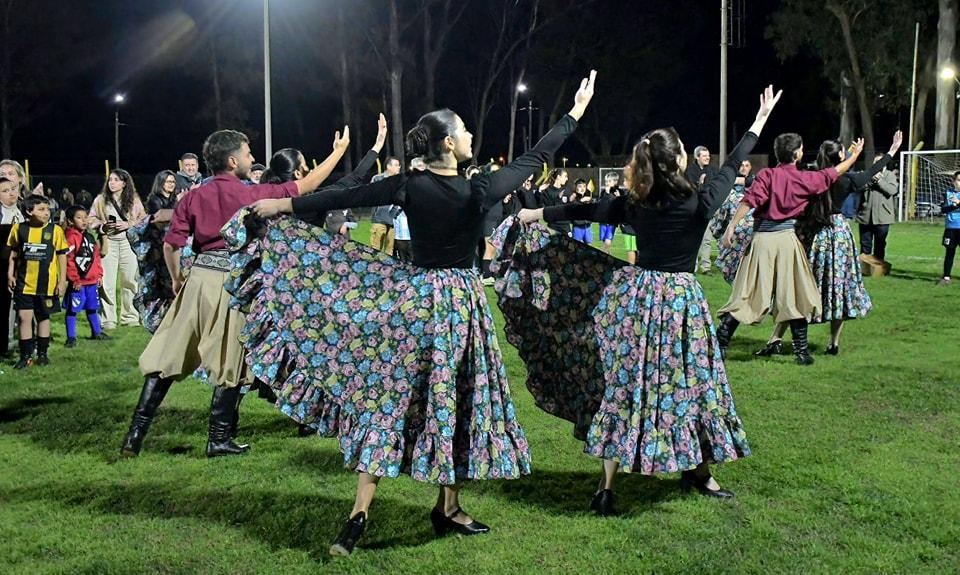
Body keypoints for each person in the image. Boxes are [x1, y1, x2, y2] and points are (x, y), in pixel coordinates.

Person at [242, 70, 598, 556]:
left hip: (418, 302)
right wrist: (575, 112)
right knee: (446, 398)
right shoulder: (480, 190)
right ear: (450, 144)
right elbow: (536, 156)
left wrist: (284, 207)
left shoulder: (413, 184)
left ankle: (415, 509)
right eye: (466, 132)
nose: (473, 137)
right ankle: (397, 510)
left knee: (401, 400)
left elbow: (348, 196)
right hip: (460, 307)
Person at [512, 84, 781, 516]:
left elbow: (586, 211)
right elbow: (732, 167)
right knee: (694, 386)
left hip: (640, 300)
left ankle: (608, 486)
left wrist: (535, 214)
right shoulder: (700, 201)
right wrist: (758, 121)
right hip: (681, 306)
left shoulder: (635, 202)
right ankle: (699, 473)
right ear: (679, 160)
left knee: (627, 387)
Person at [119, 126, 351, 460]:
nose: (252, 158)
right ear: (232, 161)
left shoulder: (195, 194)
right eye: (247, 152)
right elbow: (306, 186)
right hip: (231, 281)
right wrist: (339, 151)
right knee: (230, 360)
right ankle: (218, 439)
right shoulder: (249, 194)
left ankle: (134, 436)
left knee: (167, 355)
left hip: (197, 278)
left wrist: (176, 279)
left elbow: (172, 245)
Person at [715, 132, 865, 365]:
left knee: (748, 293)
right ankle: (801, 352)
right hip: (786, 239)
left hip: (763, 240)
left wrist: (731, 227)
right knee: (795, 294)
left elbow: (749, 201)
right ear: (797, 154)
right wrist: (854, 156)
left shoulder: (767, 175)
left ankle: (721, 344)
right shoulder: (803, 178)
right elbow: (834, 173)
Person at [754, 133, 901, 357]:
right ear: (841, 155)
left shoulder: (812, 176)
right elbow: (871, 172)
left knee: (799, 288)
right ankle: (833, 342)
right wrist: (891, 151)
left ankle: (775, 338)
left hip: (815, 236)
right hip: (839, 237)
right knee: (840, 288)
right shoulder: (847, 180)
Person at [7, 194, 68, 369]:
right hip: (24, 283)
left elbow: (62, 255)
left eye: (47, 209)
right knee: (24, 317)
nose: (46, 213)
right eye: (41, 210)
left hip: (46, 284)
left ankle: (42, 354)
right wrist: (10, 275)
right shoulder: (19, 229)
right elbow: (14, 254)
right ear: (28, 211)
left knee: (43, 316)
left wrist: (61, 280)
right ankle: (25, 356)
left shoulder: (55, 231)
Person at [90, 169, 146, 329]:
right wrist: (102, 227)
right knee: (106, 281)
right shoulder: (100, 200)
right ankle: (108, 319)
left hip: (128, 243)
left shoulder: (133, 200)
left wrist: (128, 224)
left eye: (116, 180)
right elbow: (91, 218)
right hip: (109, 243)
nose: (112, 183)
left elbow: (143, 219)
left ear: (124, 183)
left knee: (130, 280)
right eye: (110, 180)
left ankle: (130, 316)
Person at [127, 170, 179, 332]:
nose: (171, 184)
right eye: (168, 181)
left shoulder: (174, 199)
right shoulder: (154, 201)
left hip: (171, 243)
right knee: (157, 284)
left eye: (173, 181)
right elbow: (159, 219)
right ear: (160, 183)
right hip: (157, 245)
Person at [63, 205, 109, 347]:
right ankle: (71, 337)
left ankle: (97, 332)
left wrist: (99, 275)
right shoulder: (70, 237)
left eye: (85, 217)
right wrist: (74, 279)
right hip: (79, 283)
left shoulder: (89, 237)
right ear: (70, 221)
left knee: (92, 307)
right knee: (73, 309)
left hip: (92, 282)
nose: (84, 220)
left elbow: (96, 257)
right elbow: (68, 260)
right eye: (79, 218)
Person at [709, 159, 755, 284]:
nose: (744, 168)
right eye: (742, 165)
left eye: (747, 165)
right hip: (734, 233)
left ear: (750, 167)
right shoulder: (730, 190)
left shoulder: (756, 184)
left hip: (749, 234)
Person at [0, 162, 27, 358]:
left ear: (20, 179)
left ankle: (27, 339)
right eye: (2, 174)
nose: (7, 177)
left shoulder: (26, 208)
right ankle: (6, 343)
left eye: (11, 174)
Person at [856, 156, 898, 263]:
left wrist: (879, 181)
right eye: (876, 161)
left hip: (883, 216)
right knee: (865, 244)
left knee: (880, 244)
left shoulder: (890, 175)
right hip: (865, 215)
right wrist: (870, 181)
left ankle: (878, 268)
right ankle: (864, 268)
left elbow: (892, 190)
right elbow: (858, 187)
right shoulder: (867, 174)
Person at [686, 146, 719, 274]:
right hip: (693, 211)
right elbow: (689, 191)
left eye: (708, 155)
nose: (708, 158)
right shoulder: (689, 171)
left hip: (707, 209)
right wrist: (699, 183)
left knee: (706, 240)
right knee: (693, 240)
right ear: (697, 157)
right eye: (704, 156)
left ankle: (705, 267)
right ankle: (691, 266)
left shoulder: (713, 171)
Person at [368, 157, 402, 255]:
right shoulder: (378, 178)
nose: (398, 168)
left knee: (390, 251)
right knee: (375, 249)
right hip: (379, 219)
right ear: (388, 166)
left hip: (394, 221)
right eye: (396, 165)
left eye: (398, 165)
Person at [939, 171, 960, 285]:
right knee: (949, 252)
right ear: (954, 181)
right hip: (951, 228)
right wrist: (953, 206)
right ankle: (946, 277)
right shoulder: (948, 193)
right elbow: (943, 210)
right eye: (958, 180)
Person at [596, 172, 623, 254]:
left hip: (611, 221)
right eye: (606, 181)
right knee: (604, 242)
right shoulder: (604, 192)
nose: (607, 183)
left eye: (609, 181)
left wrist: (618, 197)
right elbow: (601, 204)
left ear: (615, 182)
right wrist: (606, 194)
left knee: (608, 242)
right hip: (603, 221)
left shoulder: (618, 192)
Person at [541, 168, 571, 235]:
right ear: (558, 177)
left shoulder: (567, 190)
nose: (567, 179)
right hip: (553, 226)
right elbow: (547, 209)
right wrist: (558, 199)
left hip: (565, 226)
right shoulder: (547, 191)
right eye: (565, 176)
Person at [570, 178, 594, 244]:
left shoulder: (588, 198)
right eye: (580, 186)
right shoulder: (572, 197)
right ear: (575, 188)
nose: (582, 188)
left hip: (588, 227)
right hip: (577, 228)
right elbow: (572, 206)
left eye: (584, 186)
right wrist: (581, 201)